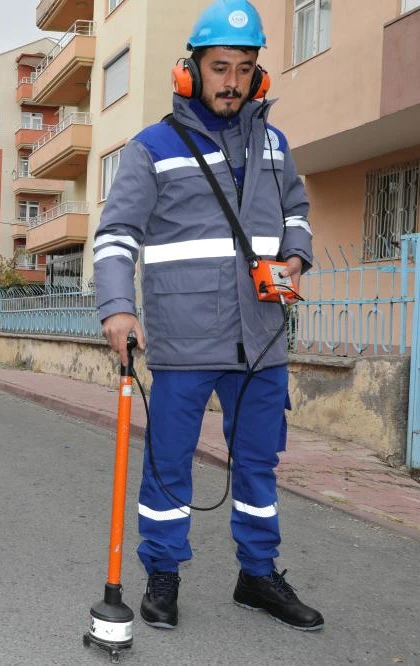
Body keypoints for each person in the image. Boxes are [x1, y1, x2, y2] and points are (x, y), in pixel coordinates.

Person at [92, 0, 322, 632]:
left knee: (257, 464)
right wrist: (117, 307)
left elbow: (297, 210)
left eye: (244, 69)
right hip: (186, 339)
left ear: (258, 78)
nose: (232, 81)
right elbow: (115, 237)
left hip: (263, 338)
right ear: (190, 72)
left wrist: (297, 255)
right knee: (170, 463)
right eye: (219, 67)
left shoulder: (274, 145)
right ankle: (162, 574)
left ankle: (257, 575)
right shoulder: (153, 148)